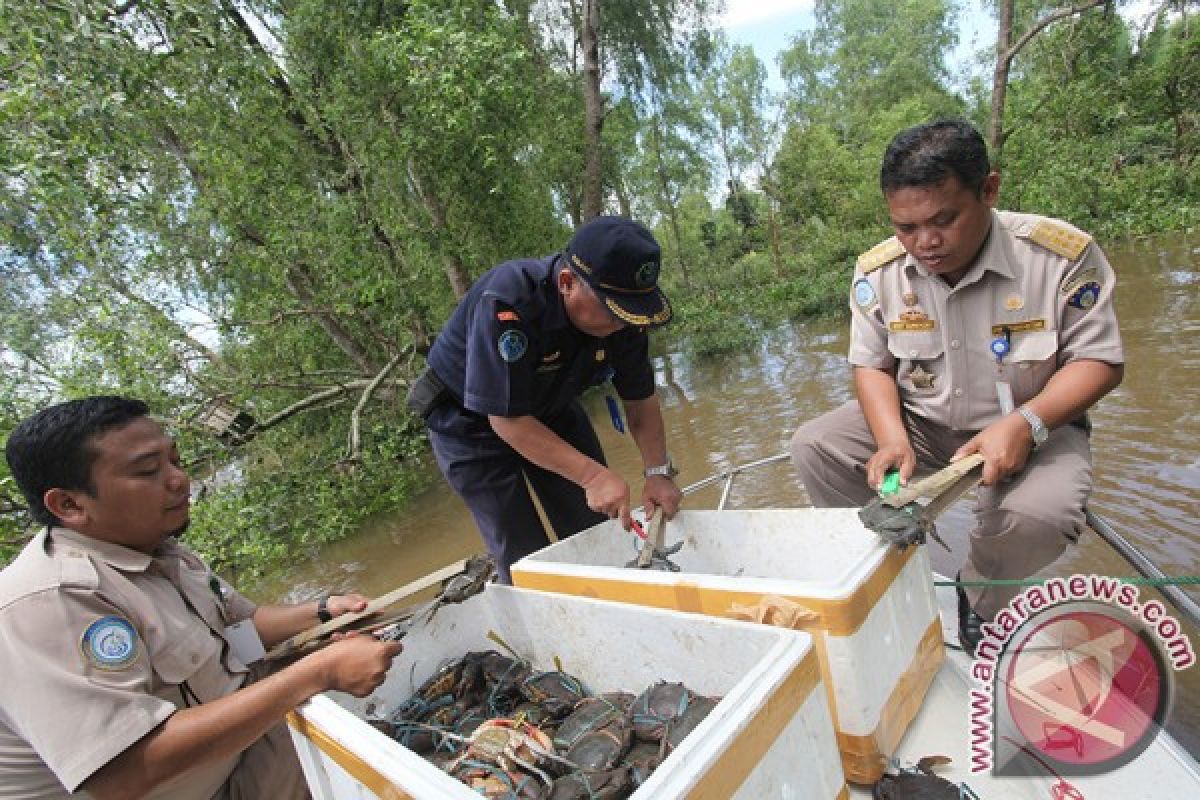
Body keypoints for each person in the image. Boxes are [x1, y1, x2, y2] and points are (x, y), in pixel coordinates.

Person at [789, 119, 1124, 654]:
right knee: (814, 447)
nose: (925, 243)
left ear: (988, 190)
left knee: (1038, 516)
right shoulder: (878, 273)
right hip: (922, 424)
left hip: (1036, 425)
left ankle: (980, 596)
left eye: (943, 219)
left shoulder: (1058, 256)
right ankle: (895, 565)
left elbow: (1100, 361)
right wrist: (891, 439)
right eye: (906, 227)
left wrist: (1027, 423)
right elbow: (871, 366)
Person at [0, 396, 404, 799]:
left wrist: (321, 613)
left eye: (175, 460)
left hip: (233, 757)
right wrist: (320, 671)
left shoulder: (155, 547)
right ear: (69, 504)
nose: (178, 479)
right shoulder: (49, 602)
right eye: (147, 471)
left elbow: (236, 632)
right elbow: (125, 771)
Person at [409, 216, 683, 584]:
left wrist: (658, 473)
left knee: (595, 523)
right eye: (612, 311)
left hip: (551, 405)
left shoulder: (624, 317)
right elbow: (506, 420)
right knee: (525, 554)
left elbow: (640, 399)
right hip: (471, 423)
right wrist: (591, 475)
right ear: (567, 283)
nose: (622, 325)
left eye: (629, 314)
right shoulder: (508, 303)